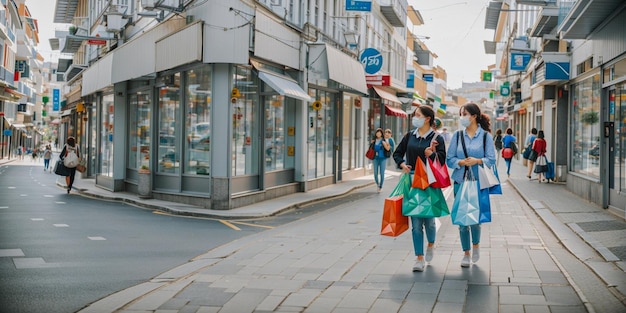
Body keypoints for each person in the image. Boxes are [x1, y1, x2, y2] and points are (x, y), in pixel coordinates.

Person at [393, 106, 446, 272]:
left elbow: (443, 160)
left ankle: (430, 244)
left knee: (429, 221)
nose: (415, 118)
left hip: (429, 182)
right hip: (412, 181)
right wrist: (402, 164)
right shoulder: (410, 136)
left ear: (427, 118)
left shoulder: (437, 137)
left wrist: (431, 154)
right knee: (416, 223)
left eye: (418, 115)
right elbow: (397, 153)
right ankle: (419, 257)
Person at [446, 102, 496, 268]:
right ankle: (466, 253)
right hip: (460, 181)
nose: (462, 117)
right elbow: (449, 159)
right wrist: (460, 162)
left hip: (478, 182)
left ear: (474, 116)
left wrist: (478, 161)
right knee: (462, 220)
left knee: (475, 220)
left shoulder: (485, 137)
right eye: (461, 114)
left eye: (465, 114)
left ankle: (476, 246)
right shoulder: (457, 136)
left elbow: (492, 159)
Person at [371, 128, 391, 193]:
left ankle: (381, 186)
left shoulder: (384, 140)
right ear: (376, 133)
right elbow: (371, 149)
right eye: (377, 132)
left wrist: (385, 143)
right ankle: (378, 184)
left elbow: (388, 149)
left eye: (379, 133)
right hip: (375, 158)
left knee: (382, 173)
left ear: (381, 134)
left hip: (383, 158)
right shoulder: (373, 141)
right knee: (375, 173)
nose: (378, 134)